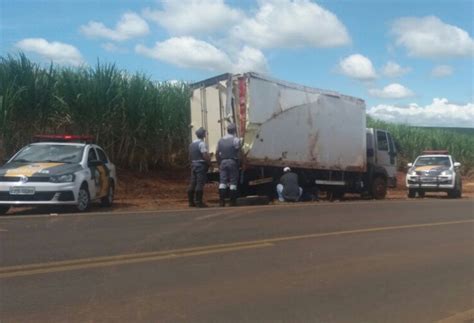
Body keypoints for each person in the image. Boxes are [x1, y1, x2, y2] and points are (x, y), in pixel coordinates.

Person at [216, 123, 241, 206]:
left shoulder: (220, 140)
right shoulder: (236, 140)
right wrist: (241, 162)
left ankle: (221, 201)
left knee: (222, 182)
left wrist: (219, 162)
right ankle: (232, 201)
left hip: (223, 162)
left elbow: (217, 153)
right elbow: (239, 152)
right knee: (233, 181)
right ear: (234, 130)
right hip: (232, 162)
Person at [187, 127, 210, 207]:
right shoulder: (202, 144)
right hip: (200, 165)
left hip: (193, 164)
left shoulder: (191, 144)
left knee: (193, 183)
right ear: (203, 135)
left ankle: (191, 202)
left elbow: (189, 156)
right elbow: (204, 155)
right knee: (200, 183)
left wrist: (191, 164)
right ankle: (199, 202)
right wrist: (208, 162)